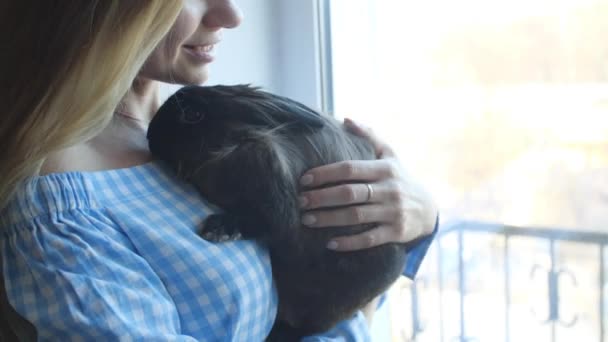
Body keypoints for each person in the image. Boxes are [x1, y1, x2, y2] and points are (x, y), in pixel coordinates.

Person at [0, 1, 438, 340]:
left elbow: (323, 255)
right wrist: (356, 318)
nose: (232, 15)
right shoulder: (58, 211)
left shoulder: (213, 121)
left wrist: (418, 222)